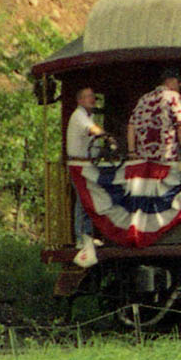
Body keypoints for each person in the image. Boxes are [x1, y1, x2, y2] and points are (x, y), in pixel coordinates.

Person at [67, 87, 105, 267]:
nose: (93, 100)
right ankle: (80, 238)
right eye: (89, 97)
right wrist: (106, 136)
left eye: (94, 97)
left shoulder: (88, 116)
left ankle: (88, 236)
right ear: (80, 100)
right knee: (82, 201)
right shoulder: (79, 116)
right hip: (78, 165)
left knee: (88, 201)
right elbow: (93, 130)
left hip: (87, 164)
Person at [127, 68, 181, 162]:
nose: (180, 85)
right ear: (171, 81)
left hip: (144, 158)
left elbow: (131, 125)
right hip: (167, 158)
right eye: (179, 82)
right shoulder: (173, 96)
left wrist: (131, 151)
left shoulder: (144, 98)